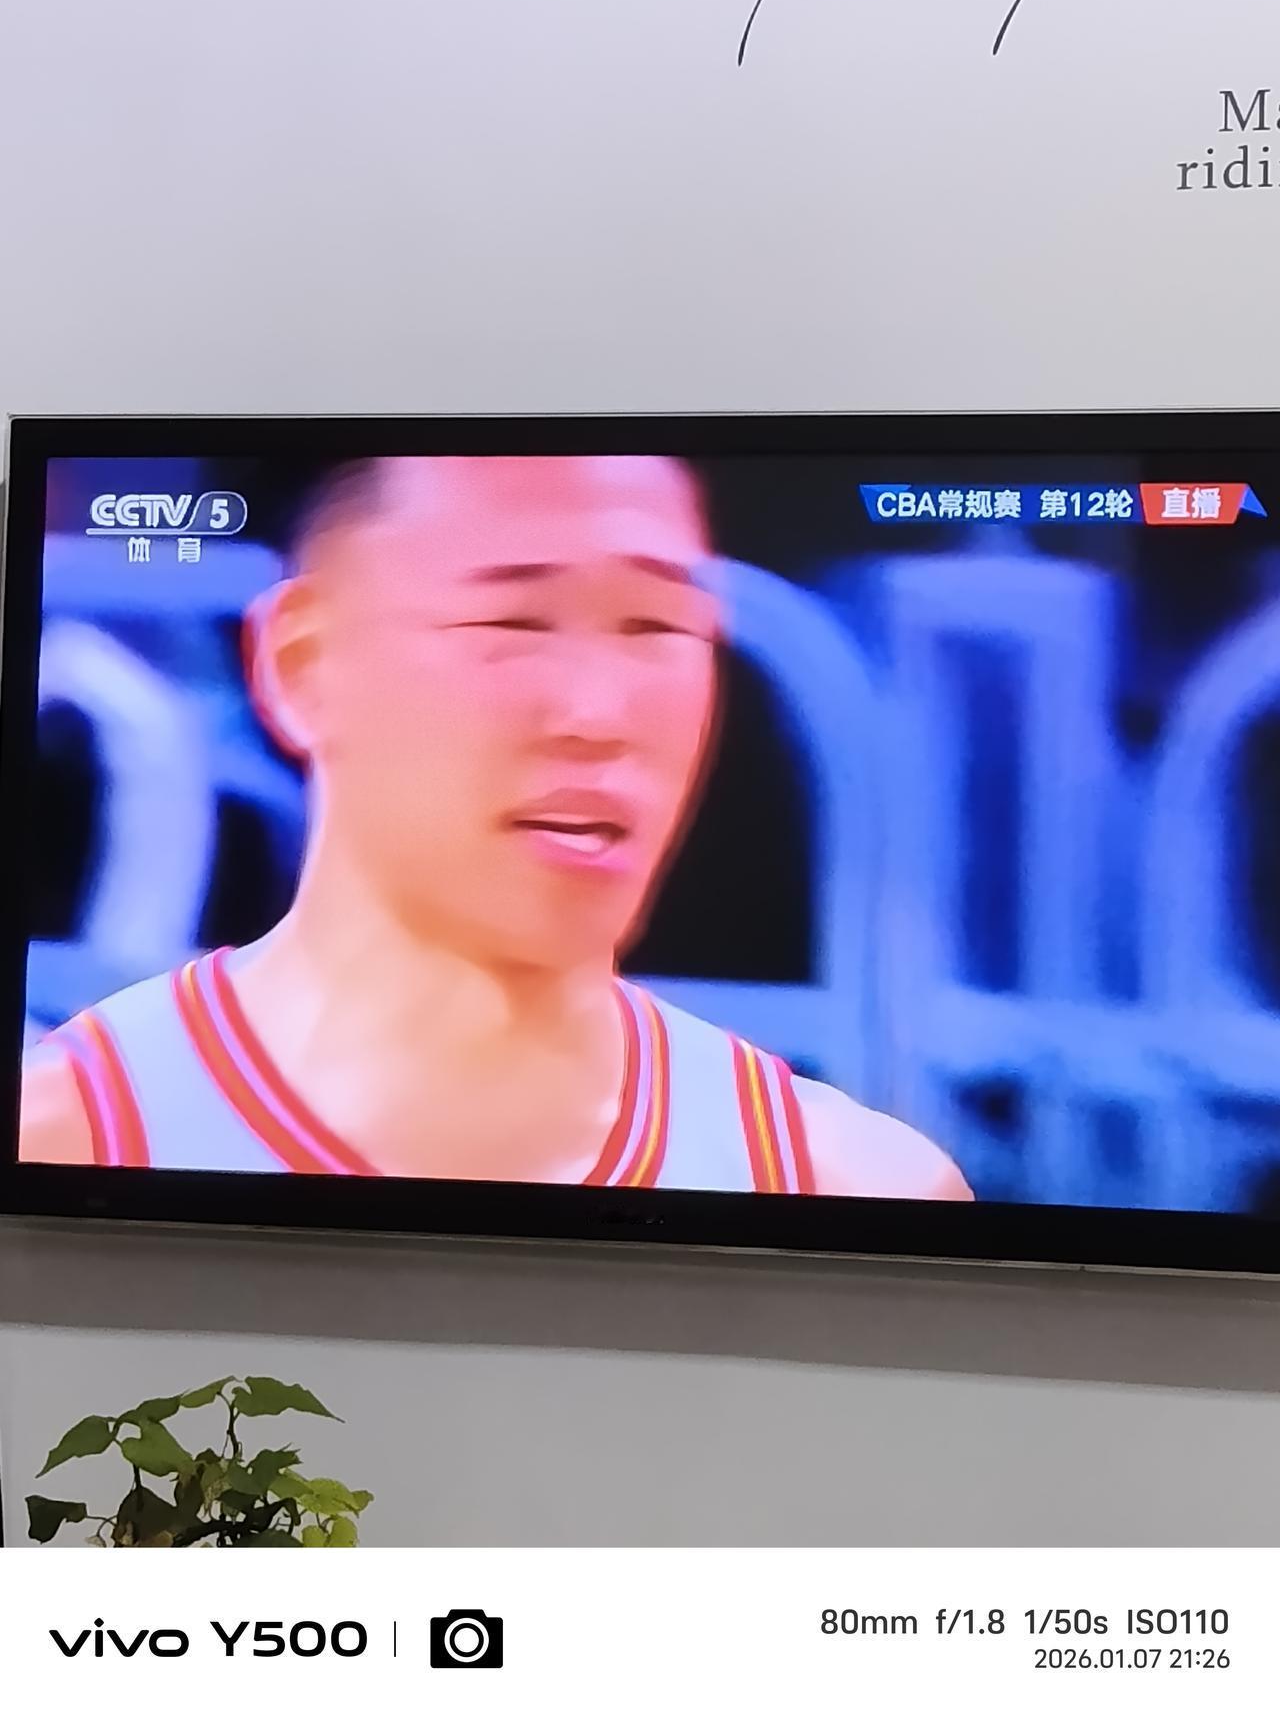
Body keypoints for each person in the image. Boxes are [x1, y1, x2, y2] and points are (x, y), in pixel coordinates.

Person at [20, 454, 971, 1198]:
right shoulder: (68, 1137)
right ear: (302, 664)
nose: (596, 713)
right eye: (513, 624)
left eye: (656, 628)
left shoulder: (845, 1180)